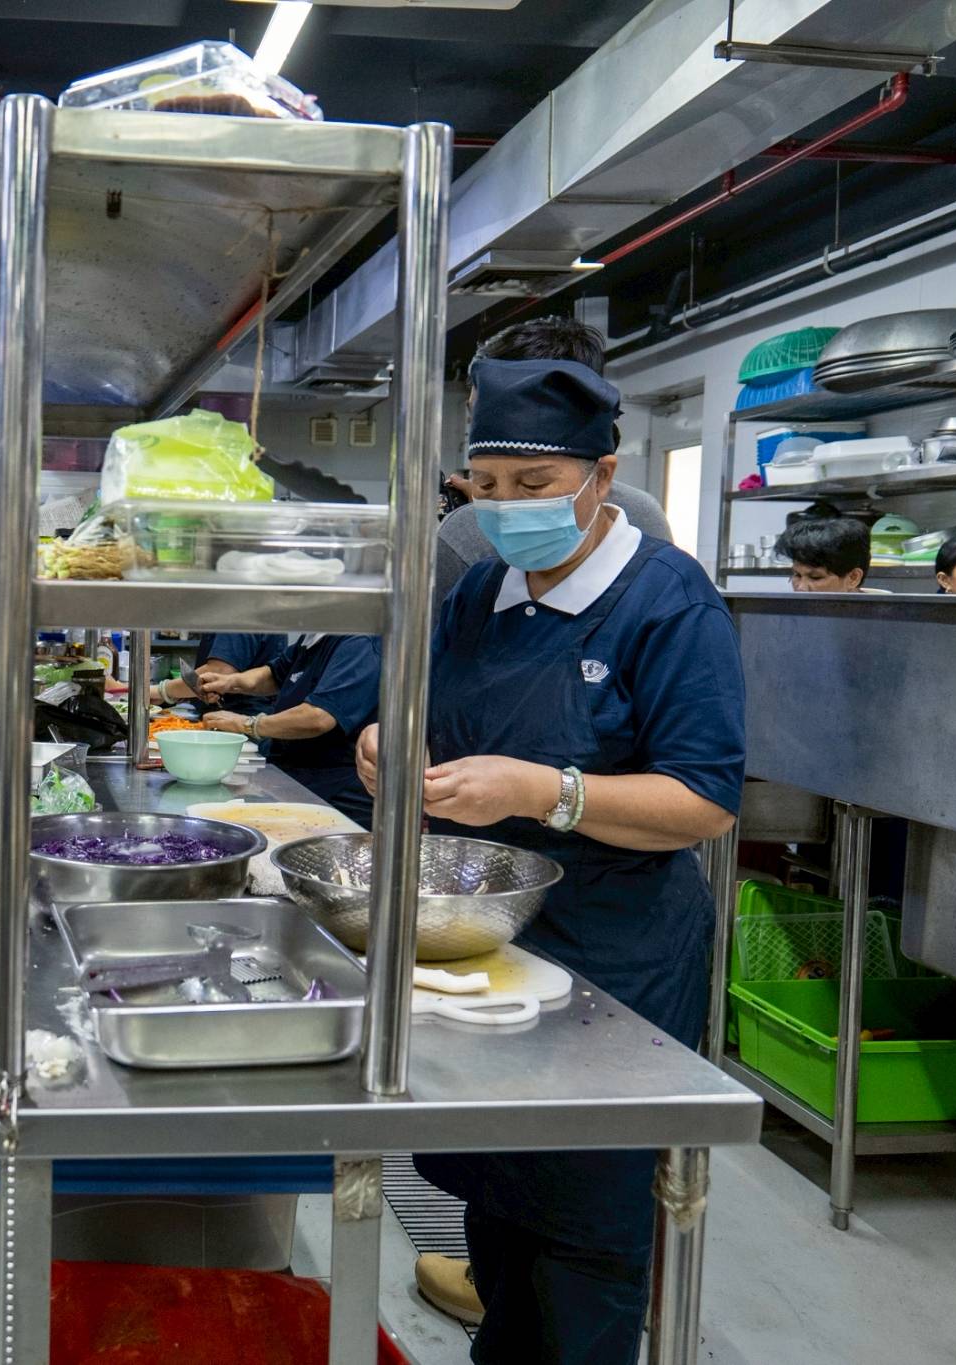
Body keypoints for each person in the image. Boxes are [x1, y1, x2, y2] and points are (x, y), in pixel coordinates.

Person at [356, 358, 744, 1365]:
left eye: (532, 487)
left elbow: (699, 804)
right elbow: (430, 720)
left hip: (615, 953)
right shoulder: (481, 589)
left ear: (599, 478)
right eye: (483, 487)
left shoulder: (666, 602)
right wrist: (386, 748)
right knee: (495, 1196)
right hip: (491, 938)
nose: (503, 509)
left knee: (587, 1223)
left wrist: (545, 792)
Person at [437, 319, 674, 611]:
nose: (486, 428)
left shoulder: (643, 526)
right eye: (487, 482)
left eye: (533, 484)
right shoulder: (466, 540)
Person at [196, 633, 383, 825]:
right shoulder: (312, 638)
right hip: (296, 776)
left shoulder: (359, 643)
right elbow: (274, 675)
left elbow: (318, 717)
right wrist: (231, 682)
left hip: (335, 791)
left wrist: (248, 724)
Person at [148, 632, 284, 716]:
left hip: (239, 720)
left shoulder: (238, 609)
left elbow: (218, 672)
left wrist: (160, 690)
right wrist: (174, 694)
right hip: (230, 714)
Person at [776, 516, 876, 592]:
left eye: (815, 577)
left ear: (853, 578)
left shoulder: (882, 617)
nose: (801, 587)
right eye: (797, 575)